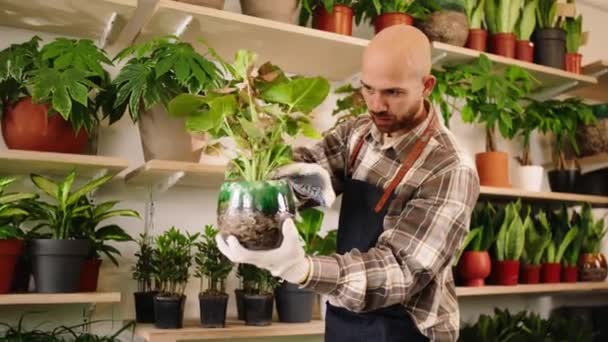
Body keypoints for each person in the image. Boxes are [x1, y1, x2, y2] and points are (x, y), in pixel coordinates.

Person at [216, 25, 480, 342]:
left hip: (406, 328)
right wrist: (257, 190)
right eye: (368, 88)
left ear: (427, 86)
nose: (376, 105)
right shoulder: (357, 134)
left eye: (393, 92)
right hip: (345, 318)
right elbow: (307, 171)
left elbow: (402, 271)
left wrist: (302, 269)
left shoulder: (449, 167)